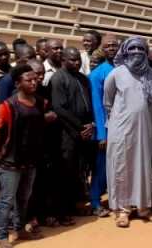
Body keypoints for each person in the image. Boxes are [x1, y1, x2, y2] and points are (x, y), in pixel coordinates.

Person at [0, 64, 55, 246]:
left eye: (35, 79)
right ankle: (3, 236)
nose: (34, 82)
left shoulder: (40, 102)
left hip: (31, 159)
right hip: (11, 160)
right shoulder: (7, 106)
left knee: (24, 197)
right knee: (7, 200)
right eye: (29, 80)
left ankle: (19, 229)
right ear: (18, 83)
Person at [105, 36, 152, 225]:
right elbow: (108, 101)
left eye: (141, 49)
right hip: (121, 129)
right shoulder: (117, 73)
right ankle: (123, 210)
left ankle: (143, 207)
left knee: (143, 166)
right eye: (133, 48)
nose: (137, 52)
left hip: (144, 128)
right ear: (126, 51)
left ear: (146, 52)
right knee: (123, 166)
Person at [49, 47, 94, 226]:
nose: (76, 62)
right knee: (65, 173)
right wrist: (80, 127)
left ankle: (75, 205)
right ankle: (62, 211)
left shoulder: (83, 78)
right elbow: (59, 108)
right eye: (72, 60)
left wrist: (91, 125)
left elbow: (88, 104)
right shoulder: (58, 78)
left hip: (84, 133)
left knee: (79, 172)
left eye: (78, 60)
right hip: (67, 133)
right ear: (64, 60)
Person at [87, 35, 119, 218]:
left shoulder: (124, 69)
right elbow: (97, 105)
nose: (112, 48)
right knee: (101, 167)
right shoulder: (98, 73)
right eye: (108, 46)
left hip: (123, 126)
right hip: (106, 128)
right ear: (102, 49)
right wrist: (101, 134)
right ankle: (96, 202)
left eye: (115, 45)